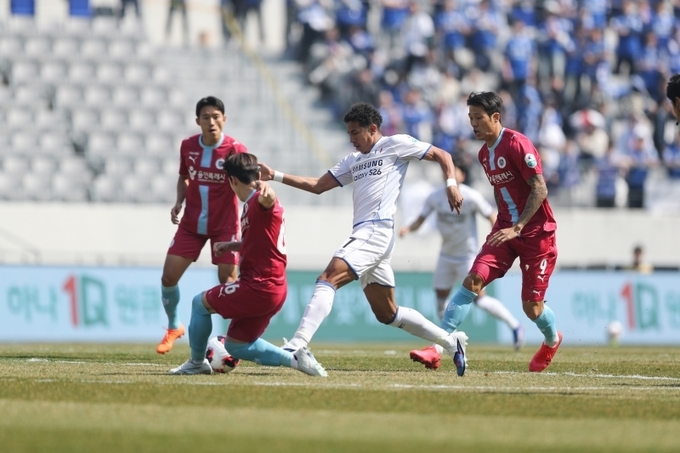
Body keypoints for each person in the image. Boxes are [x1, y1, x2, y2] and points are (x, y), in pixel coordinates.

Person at [260, 102, 470, 375]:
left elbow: (442, 154)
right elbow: (318, 186)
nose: (352, 139)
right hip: (368, 235)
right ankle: (451, 342)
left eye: (355, 132)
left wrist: (451, 185)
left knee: (328, 278)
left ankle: (298, 344)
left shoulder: (395, 144)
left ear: (372, 128)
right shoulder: (353, 160)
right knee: (387, 314)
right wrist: (274, 175)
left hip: (375, 230)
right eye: (349, 133)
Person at [411, 91, 561, 374]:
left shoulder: (518, 144)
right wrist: (507, 225)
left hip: (536, 234)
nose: (473, 124)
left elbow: (540, 188)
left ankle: (552, 340)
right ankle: (437, 349)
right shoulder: (483, 154)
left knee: (532, 308)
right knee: (473, 281)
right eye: (470, 118)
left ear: (495, 117)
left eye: (478, 118)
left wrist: (518, 227)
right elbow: (503, 191)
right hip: (504, 231)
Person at [169, 153, 327, 376]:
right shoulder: (250, 205)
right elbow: (259, 242)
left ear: (232, 179)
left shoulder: (259, 200)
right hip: (275, 288)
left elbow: (268, 200)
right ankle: (296, 359)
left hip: (258, 286)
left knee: (199, 304)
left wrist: (266, 189)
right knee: (236, 345)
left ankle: (196, 363)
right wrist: (232, 246)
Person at [400, 161, 524, 370]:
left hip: (467, 257)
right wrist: (407, 229)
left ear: (462, 176)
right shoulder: (435, 197)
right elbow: (421, 219)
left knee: (480, 300)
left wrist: (499, 239)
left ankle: (515, 326)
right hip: (445, 256)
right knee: (440, 301)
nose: (448, 174)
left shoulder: (471, 196)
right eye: (446, 171)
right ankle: (448, 342)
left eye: (453, 171)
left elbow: (491, 216)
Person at [157, 96, 246, 355]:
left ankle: (235, 339)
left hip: (225, 226)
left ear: (224, 119)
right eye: (206, 117)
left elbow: (246, 183)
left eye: (216, 117)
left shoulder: (235, 149)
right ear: (198, 121)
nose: (211, 122)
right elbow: (184, 177)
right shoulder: (188, 146)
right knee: (168, 277)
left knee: (228, 282)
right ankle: (174, 326)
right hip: (191, 225)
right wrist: (179, 202)